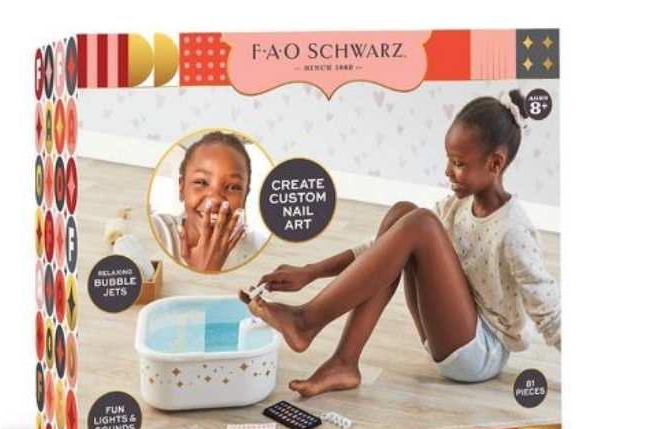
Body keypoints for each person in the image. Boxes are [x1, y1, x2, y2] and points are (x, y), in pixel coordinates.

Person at [245, 91, 560, 397]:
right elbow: (382, 248)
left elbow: (549, 311)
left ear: (495, 163)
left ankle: (306, 321)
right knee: (403, 213)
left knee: (420, 222)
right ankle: (344, 362)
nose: (447, 171)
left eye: (458, 163)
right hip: (454, 330)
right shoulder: (457, 206)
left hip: (481, 352)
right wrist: (311, 271)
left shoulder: (514, 231)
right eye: (448, 160)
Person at [150, 131, 263, 273]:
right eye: (201, 182)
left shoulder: (256, 249)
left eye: (233, 187)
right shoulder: (157, 230)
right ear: (182, 189)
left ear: (245, 197)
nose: (215, 199)